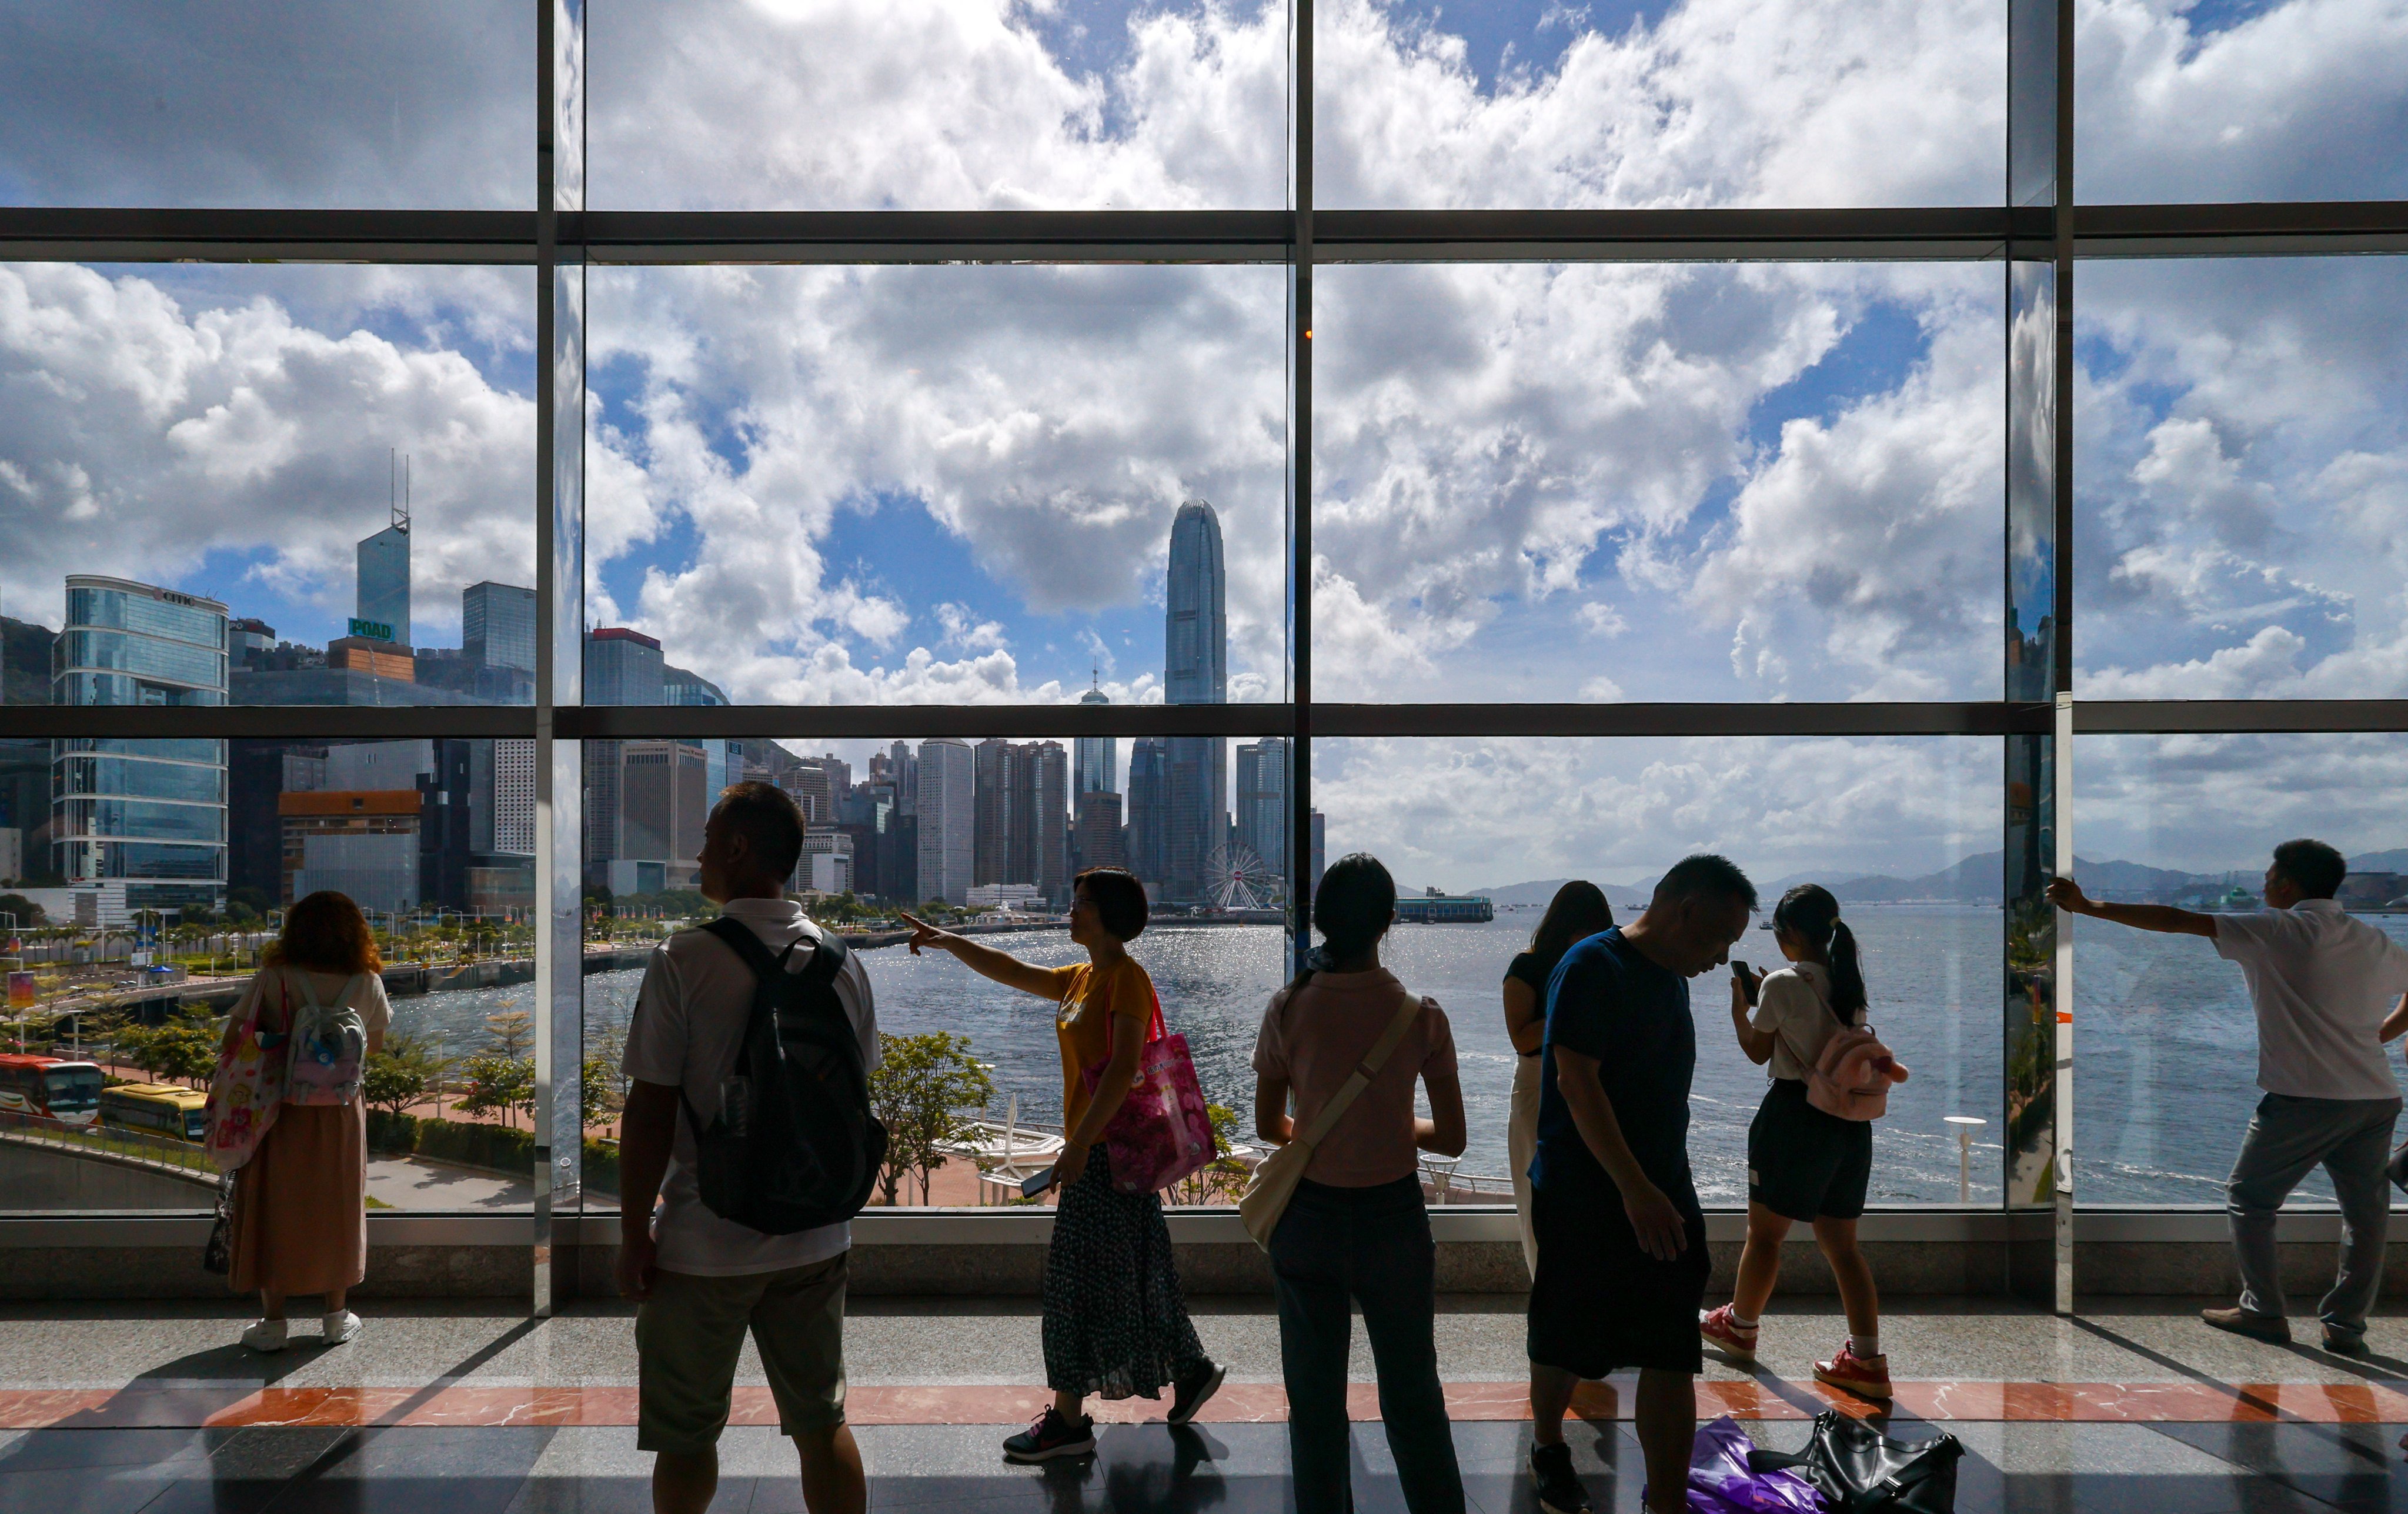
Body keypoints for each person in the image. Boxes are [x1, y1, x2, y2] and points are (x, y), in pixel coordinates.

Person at [901, 868, 1224, 1461]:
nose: (1070, 911)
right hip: (1102, 1152)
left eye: (1078, 904)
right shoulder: (1083, 979)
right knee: (1140, 1268)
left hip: (1103, 1155)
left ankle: (1070, 1423)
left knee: (1076, 1286)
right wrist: (948, 940)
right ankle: (1193, 1369)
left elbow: (1126, 1069)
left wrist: (1077, 1147)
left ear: (1104, 915)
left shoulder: (1124, 979)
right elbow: (1011, 969)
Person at [616, 782, 877, 1514]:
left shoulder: (682, 959)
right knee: (822, 1423)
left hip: (706, 1242)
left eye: (707, 838)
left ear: (736, 849)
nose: (697, 853)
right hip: (818, 1235)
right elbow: (855, 1092)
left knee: (689, 1435)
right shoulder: (843, 961)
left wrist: (635, 1233)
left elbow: (650, 1110)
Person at [2050, 839, 2408, 1355]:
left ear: (2287, 883)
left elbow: (2177, 921)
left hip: (2305, 1098)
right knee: (2365, 1214)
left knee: (2249, 1197)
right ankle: (2345, 1326)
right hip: (2375, 1096)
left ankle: (2263, 1311)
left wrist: (2089, 907)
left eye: (2269, 875)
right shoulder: (2371, 939)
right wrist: (2378, 1037)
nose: (2262, 884)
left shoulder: (2278, 929)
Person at [1525, 855, 1756, 1514]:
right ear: (1684, 911)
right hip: (1586, 1193)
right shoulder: (1593, 967)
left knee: (1669, 1345)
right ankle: (1547, 1443)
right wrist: (1633, 1187)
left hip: (1661, 1190)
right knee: (1566, 1336)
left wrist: (1657, 1189)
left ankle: (1668, 1502)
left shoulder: (1671, 976)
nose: (1720, 959)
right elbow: (1576, 1081)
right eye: (1718, 939)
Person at [1253, 853, 1469, 1514]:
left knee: (1315, 1408)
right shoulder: (1420, 1014)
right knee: (1413, 1397)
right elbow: (1453, 1139)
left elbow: (1270, 1126)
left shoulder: (1288, 1007)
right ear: (1388, 923)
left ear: (1321, 922)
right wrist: (1390, 1128)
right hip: (1393, 1224)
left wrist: (1323, 1134)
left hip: (1309, 1221)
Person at [1699, 884, 1888, 1397]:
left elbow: (1756, 1051)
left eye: (1779, 932)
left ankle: (1739, 1327)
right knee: (1842, 1246)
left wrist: (1742, 1005)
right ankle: (1867, 1359)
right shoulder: (1849, 985)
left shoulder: (1782, 983)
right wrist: (1773, 997)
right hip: (1849, 1122)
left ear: (1792, 936)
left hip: (1793, 1119)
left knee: (1764, 1235)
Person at [226, 890, 390, 1352]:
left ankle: (273, 1322)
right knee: (337, 1205)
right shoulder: (366, 981)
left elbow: (237, 1035)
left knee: (274, 1205)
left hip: (278, 1109)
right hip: (339, 1111)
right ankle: (336, 1317)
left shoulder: (275, 978)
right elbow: (372, 1046)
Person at [1502, 882, 1616, 1281]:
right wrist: (1571, 1008)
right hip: (1538, 1085)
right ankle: (1545, 1293)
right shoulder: (1527, 967)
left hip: (1592, 1085)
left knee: (1590, 1199)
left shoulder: (1602, 967)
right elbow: (1520, 1037)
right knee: (1536, 1200)